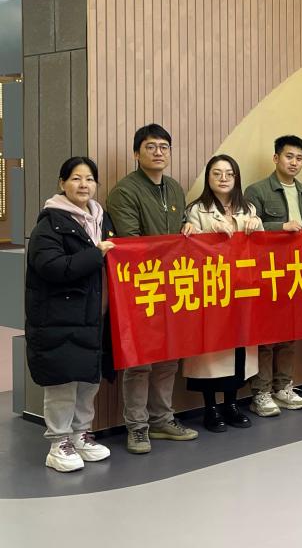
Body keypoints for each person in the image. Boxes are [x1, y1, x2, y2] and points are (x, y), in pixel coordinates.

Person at [106, 124, 199, 453]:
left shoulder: (174, 188)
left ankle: (162, 419)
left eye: (164, 147)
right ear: (137, 153)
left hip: (174, 285)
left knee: (169, 356)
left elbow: (178, 228)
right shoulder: (124, 191)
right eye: (150, 146)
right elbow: (131, 243)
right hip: (140, 286)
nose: (158, 152)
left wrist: (188, 227)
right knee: (140, 361)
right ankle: (137, 427)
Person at [26, 157, 116, 471]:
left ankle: (80, 435)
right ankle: (58, 443)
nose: (83, 185)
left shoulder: (102, 219)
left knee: (88, 379)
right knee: (63, 382)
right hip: (60, 317)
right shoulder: (50, 224)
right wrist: (95, 254)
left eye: (89, 179)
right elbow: (51, 267)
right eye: (76, 178)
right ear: (62, 183)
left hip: (93, 316)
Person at [244, 135, 302, 416]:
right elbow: (249, 230)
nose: (294, 162)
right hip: (267, 272)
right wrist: (280, 226)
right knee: (266, 336)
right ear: (276, 158)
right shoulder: (256, 191)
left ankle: (283, 386)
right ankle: (261, 392)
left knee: (289, 333)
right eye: (289, 156)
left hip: (297, 272)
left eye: (299, 158)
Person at [182, 155, 262, 433]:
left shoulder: (248, 207)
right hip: (212, 290)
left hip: (242, 289)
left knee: (239, 349)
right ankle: (211, 408)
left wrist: (257, 225)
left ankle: (231, 404)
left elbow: (262, 248)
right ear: (208, 178)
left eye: (229, 173)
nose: (224, 178)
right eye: (217, 173)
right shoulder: (197, 209)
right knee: (212, 352)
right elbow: (189, 248)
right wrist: (207, 233)